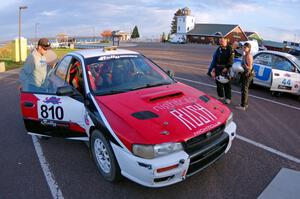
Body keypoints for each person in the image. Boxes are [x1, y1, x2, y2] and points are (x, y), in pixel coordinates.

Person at [212, 37, 235, 104]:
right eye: (220, 41)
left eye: (222, 41)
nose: (220, 42)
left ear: (226, 41)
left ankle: (228, 98)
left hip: (226, 68)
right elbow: (215, 58)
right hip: (218, 68)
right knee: (218, 83)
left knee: (227, 84)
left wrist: (227, 67)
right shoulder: (219, 48)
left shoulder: (230, 49)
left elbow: (231, 59)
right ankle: (220, 96)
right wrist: (213, 68)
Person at [236, 42, 254, 111]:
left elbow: (250, 67)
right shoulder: (245, 54)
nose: (243, 48)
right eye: (243, 47)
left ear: (249, 48)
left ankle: (243, 106)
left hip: (248, 74)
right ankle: (245, 104)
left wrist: (243, 66)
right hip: (245, 73)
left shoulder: (248, 55)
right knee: (244, 89)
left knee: (244, 90)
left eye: (245, 47)